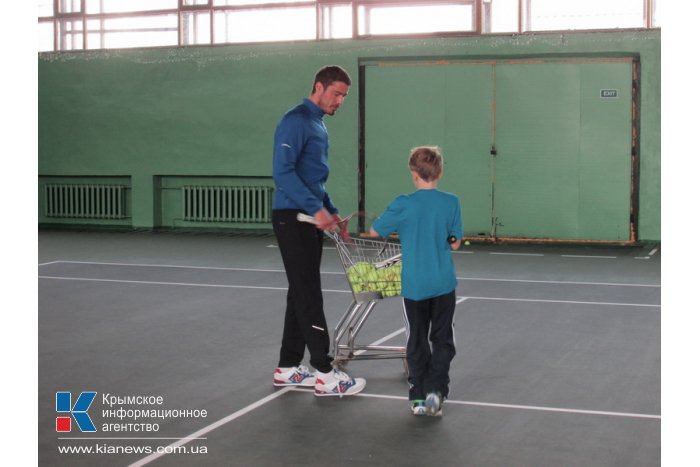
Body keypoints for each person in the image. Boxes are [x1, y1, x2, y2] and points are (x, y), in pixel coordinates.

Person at [271, 65, 366, 397]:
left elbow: (314, 179)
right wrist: (316, 210)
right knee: (309, 292)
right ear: (318, 87)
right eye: (336, 93)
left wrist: (333, 213)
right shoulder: (295, 121)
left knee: (300, 291)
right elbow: (283, 174)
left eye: (344, 96)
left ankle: (287, 367)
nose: (339, 101)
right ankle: (325, 373)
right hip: (291, 217)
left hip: (309, 217)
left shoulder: (318, 125)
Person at [370, 146, 463, 415]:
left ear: (413, 174)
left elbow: (376, 231)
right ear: (440, 172)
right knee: (443, 339)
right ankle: (436, 389)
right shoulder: (451, 202)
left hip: (415, 286)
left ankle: (419, 396)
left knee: (417, 339)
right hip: (443, 284)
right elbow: (454, 244)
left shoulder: (402, 203)